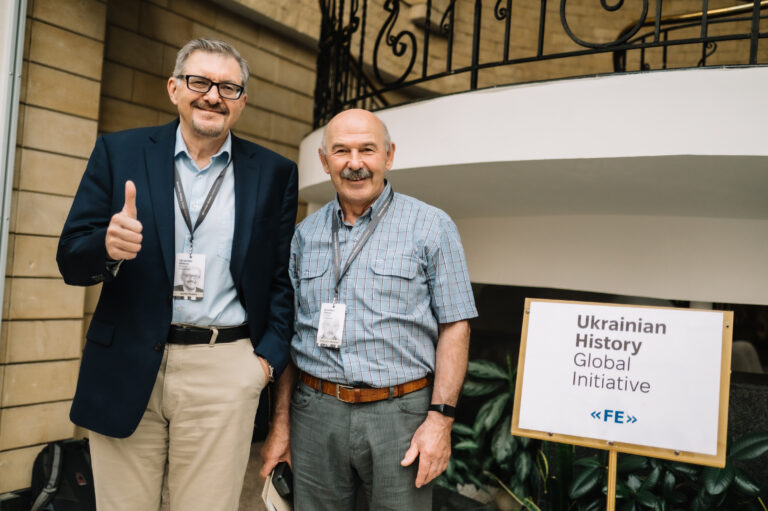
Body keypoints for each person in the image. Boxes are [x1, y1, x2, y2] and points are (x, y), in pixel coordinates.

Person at [57, 38, 297, 511]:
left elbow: (282, 281)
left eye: (228, 87)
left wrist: (262, 365)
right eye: (199, 82)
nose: (213, 96)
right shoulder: (119, 151)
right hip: (126, 360)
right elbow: (70, 257)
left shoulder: (274, 173)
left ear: (242, 100)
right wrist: (106, 246)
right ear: (174, 88)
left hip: (224, 369)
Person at [259, 108, 478, 510]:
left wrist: (440, 420)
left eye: (367, 150)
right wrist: (281, 426)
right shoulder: (304, 235)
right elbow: (291, 334)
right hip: (315, 412)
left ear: (389, 156)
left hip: (400, 416)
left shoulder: (432, 226)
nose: (354, 163)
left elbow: (456, 326)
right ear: (324, 161)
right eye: (341, 151)